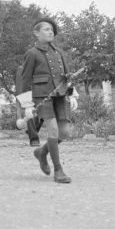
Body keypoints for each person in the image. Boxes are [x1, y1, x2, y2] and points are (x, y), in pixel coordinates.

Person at [18, 17, 78, 184]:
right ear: (36, 33)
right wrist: (27, 104)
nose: (51, 31)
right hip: (42, 98)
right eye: (46, 29)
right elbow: (25, 80)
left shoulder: (59, 53)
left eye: (52, 29)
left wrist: (72, 94)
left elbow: (67, 76)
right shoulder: (32, 54)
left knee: (64, 133)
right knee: (53, 130)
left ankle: (42, 152)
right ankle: (58, 170)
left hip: (61, 96)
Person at [15, 65, 41, 147]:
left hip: (40, 92)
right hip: (26, 94)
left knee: (42, 115)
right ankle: (34, 139)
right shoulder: (21, 69)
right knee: (29, 113)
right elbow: (20, 86)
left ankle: (31, 131)